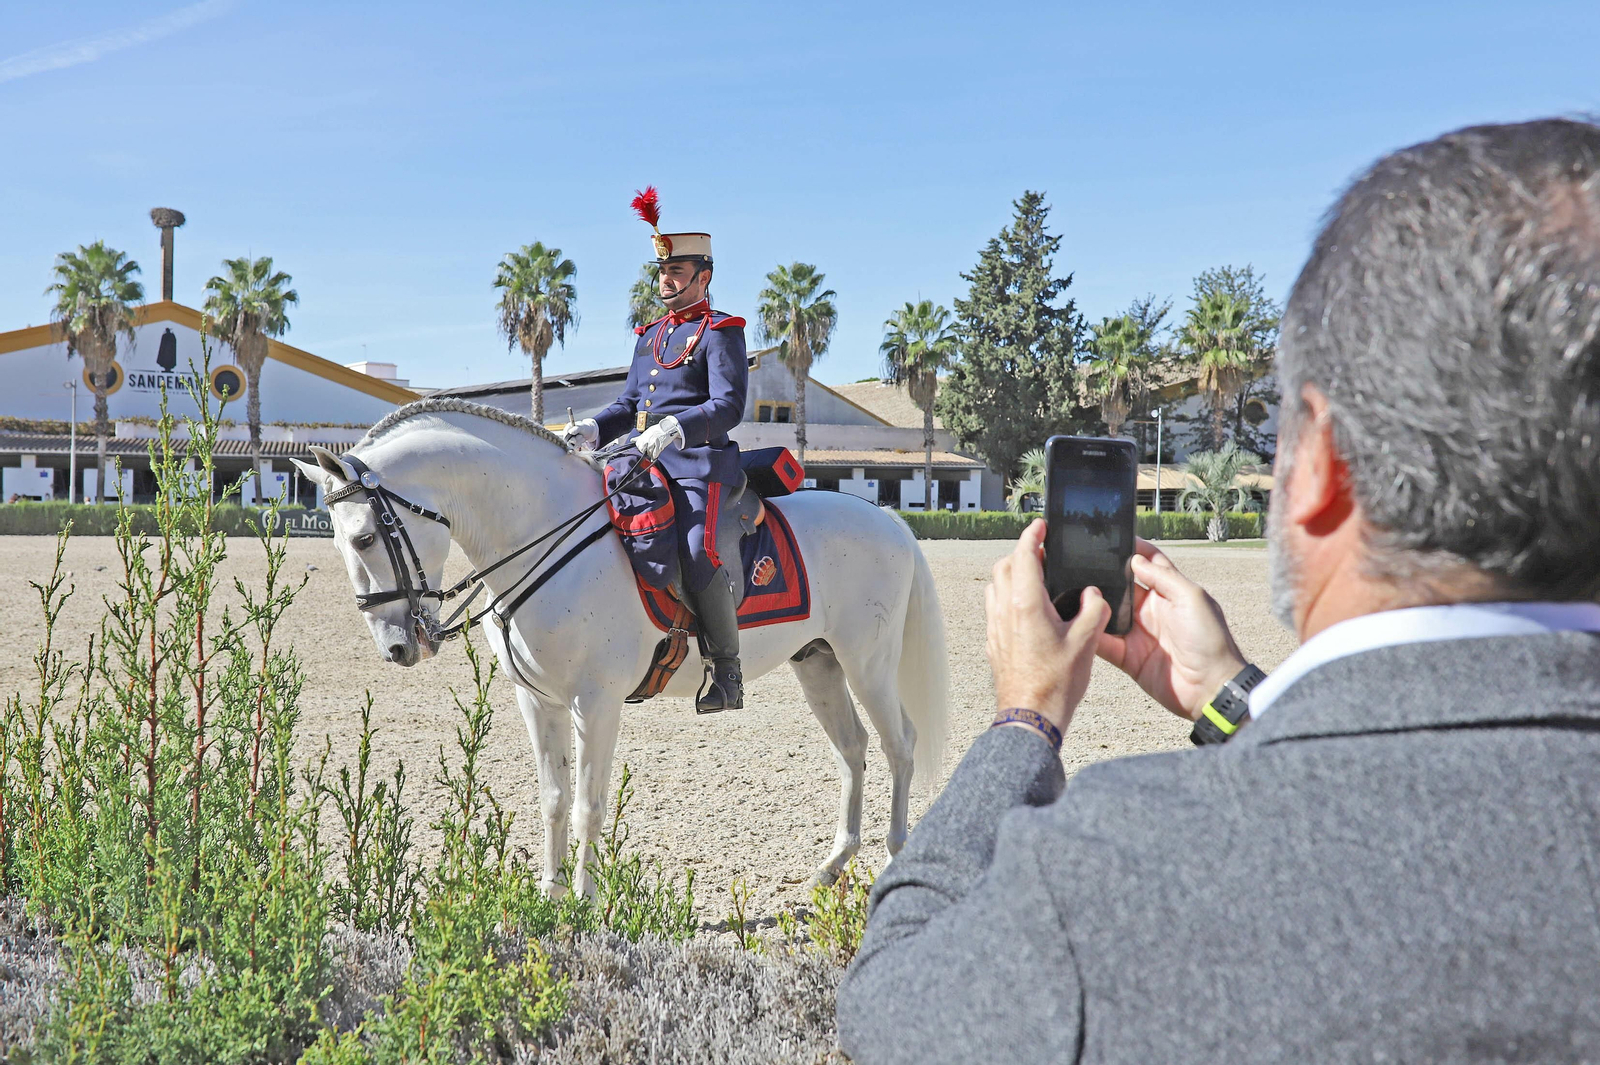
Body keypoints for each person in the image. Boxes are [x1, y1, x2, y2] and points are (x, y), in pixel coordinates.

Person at [835, 118, 1600, 1063]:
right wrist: (1235, 693)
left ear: (1317, 462)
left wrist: (1026, 719)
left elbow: (893, 1004)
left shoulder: (1115, 867)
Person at [562, 189, 749, 712]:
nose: (665, 279)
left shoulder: (722, 332)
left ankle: (726, 671)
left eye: (677, 270)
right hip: (636, 460)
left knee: (694, 550)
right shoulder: (649, 335)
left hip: (698, 465)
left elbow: (729, 406)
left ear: (703, 276)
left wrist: (674, 429)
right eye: (662, 270)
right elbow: (628, 403)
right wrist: (594, 431)